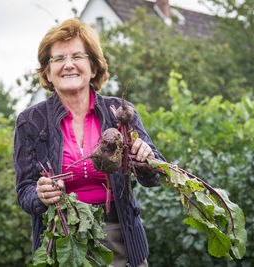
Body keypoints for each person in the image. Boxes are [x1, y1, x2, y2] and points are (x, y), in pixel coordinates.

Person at [13, 18, 164, 267]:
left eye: (77, 56)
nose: (68, 65)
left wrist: (146, 157)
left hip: (119, 240)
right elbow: (24, 192)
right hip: (61, 240)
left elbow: (154, 176)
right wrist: (39, 195)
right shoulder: (30, 121)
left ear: (93, 68)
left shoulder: (119, 111)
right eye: (58, 58)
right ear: (48, 72)